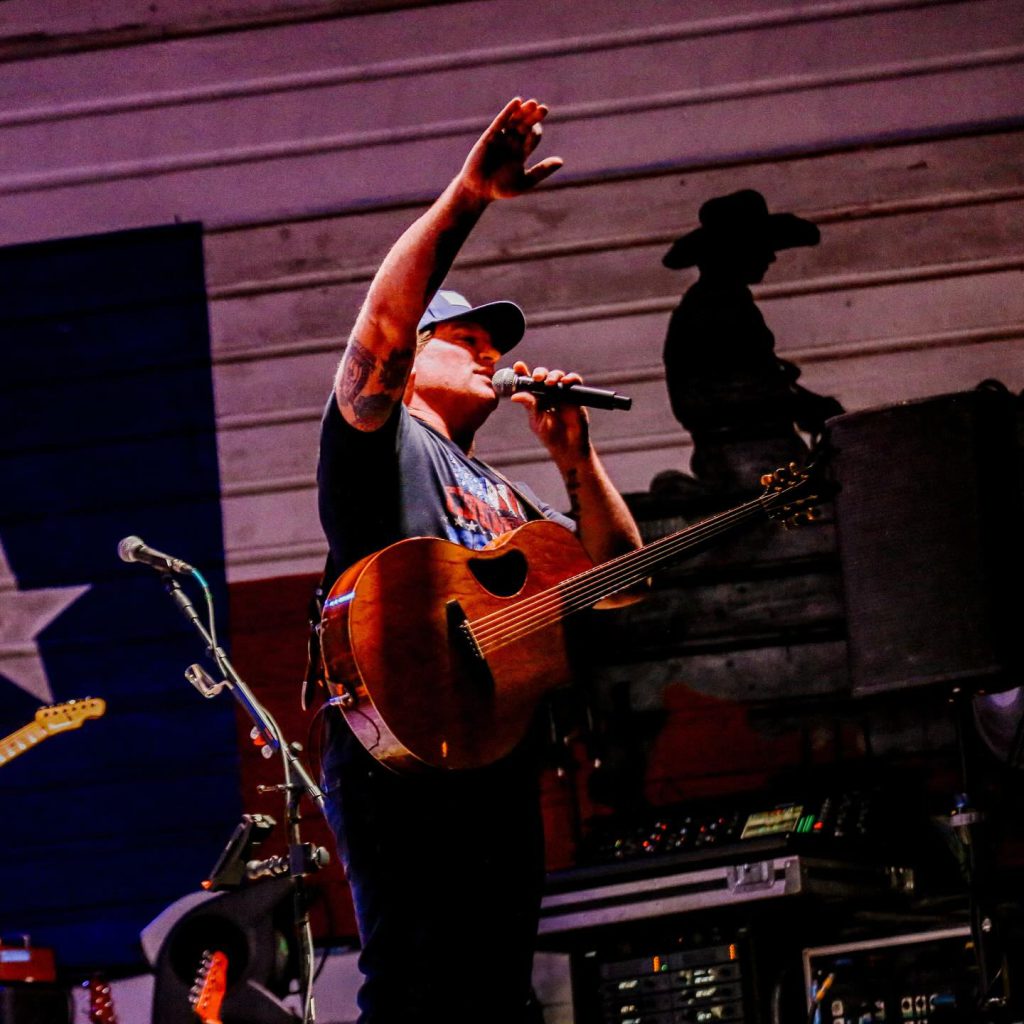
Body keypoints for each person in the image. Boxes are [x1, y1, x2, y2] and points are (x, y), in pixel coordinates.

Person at [315, 97, 642, 1023]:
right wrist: (468, 197)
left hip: (496, 749)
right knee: (419, 984)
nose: (494, 355)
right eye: (467, 341)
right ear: (412, 362)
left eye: (496, 346)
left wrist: (577, 460)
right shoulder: (385, 443)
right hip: (403, 743)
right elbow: (380, 324)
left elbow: (618, 588)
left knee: (499, 987)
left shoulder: (507, 495)